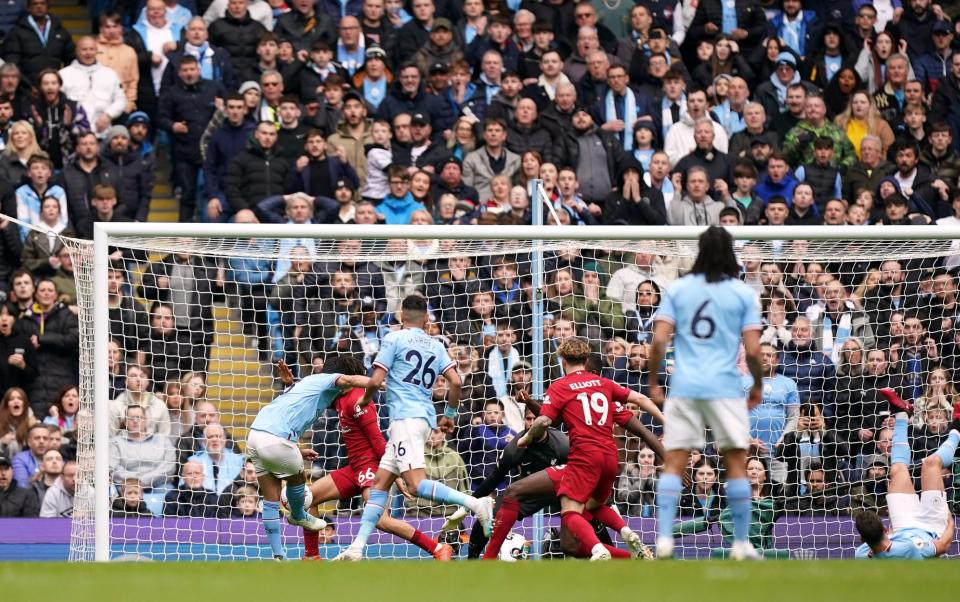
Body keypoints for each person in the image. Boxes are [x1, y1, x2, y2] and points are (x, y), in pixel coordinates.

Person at [334, 294, 494, 561]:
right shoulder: (436, 345)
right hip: (423, 417)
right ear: (425, 318)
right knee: (379, 485)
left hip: (405, 420)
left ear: (400, 314)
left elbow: (374, 381)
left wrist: (364, 399)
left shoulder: (393, 338)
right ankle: (357, 548)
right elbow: (455, 382)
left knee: (416, 484)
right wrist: (450, 415)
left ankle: (476, 504)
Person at [481, 339, 665, 560]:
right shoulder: (604, 385)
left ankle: (489, 559)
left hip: (582, 460)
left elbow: (545, 422)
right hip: (609, 460)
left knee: (530, 498)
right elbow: (641, 399)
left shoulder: (561, 385)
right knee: (574, 536)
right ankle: (632, 551)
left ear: (562, 361)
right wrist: (665, 421)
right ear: (586, 361)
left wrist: (527, 437)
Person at [649, 226, 763, 560]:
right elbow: (754, 351)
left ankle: (665, 538)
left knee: (674, 460)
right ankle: (741, 544)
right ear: (731, 253)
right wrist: (756, 384)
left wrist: (655, 381)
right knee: (736, 463)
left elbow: (658, 340)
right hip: (725, 388)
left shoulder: (679, 289)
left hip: (685, 385)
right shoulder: (743, 294)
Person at [272, 359, 454, 560]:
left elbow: (377, 439)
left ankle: (437, 548)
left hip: (372, 469)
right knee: (309, 498)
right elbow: (313, 395)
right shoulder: (340, 396)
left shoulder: (359, 400)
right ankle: (312, 557)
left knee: (381, 520)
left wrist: (397, 474)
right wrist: (291, 384)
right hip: (354, 469)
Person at [246, 354, 379, 559]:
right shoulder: (329, 380)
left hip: (255, 436)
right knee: (298, 478)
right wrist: (385, 384)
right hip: (277, 439)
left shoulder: (308, 384)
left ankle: (278, 556)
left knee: (271, 500)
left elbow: (292, 407)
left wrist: (289, 382)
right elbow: (352, 380)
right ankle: (299, 514)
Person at [854, 388, 958, 559]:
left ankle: (902, 415)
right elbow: (944, 545)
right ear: (886, 528)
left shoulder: (861, 554)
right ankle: (957, 428)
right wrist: (949, 519)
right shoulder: (912, 549)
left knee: (897, 470)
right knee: (931, 464)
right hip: (931, 528)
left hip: (902, 526)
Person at [0, 452, 39, 516]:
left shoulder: (27, 495)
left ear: (13, 471)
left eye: (6, 469)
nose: (3, 473)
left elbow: (31, 524)